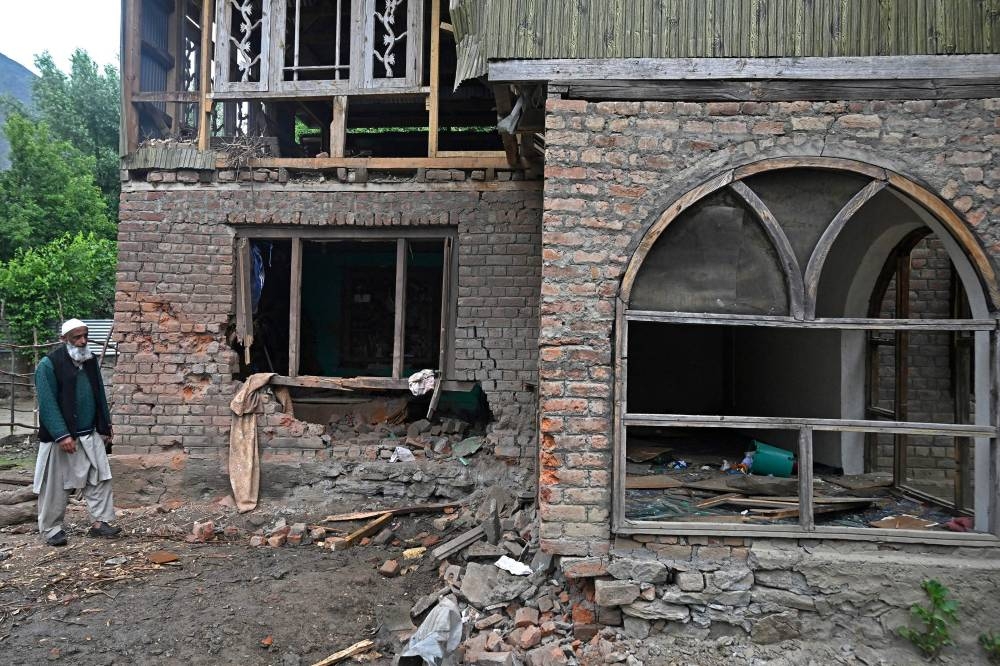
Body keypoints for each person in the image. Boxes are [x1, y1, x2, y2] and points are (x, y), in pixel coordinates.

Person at [33, 318, 119, 546]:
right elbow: (47, 402)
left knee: (99, 478)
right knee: (55, 486)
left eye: (84, 336)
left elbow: (99, 391)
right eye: (76, 337)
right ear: (64, 339)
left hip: (89, 433)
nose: (82, 341)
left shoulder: (89, 360)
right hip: (62, 438)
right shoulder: (48, 365)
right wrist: (62, 435)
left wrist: (105, 424)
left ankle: (101, 522)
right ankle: (51, 529)